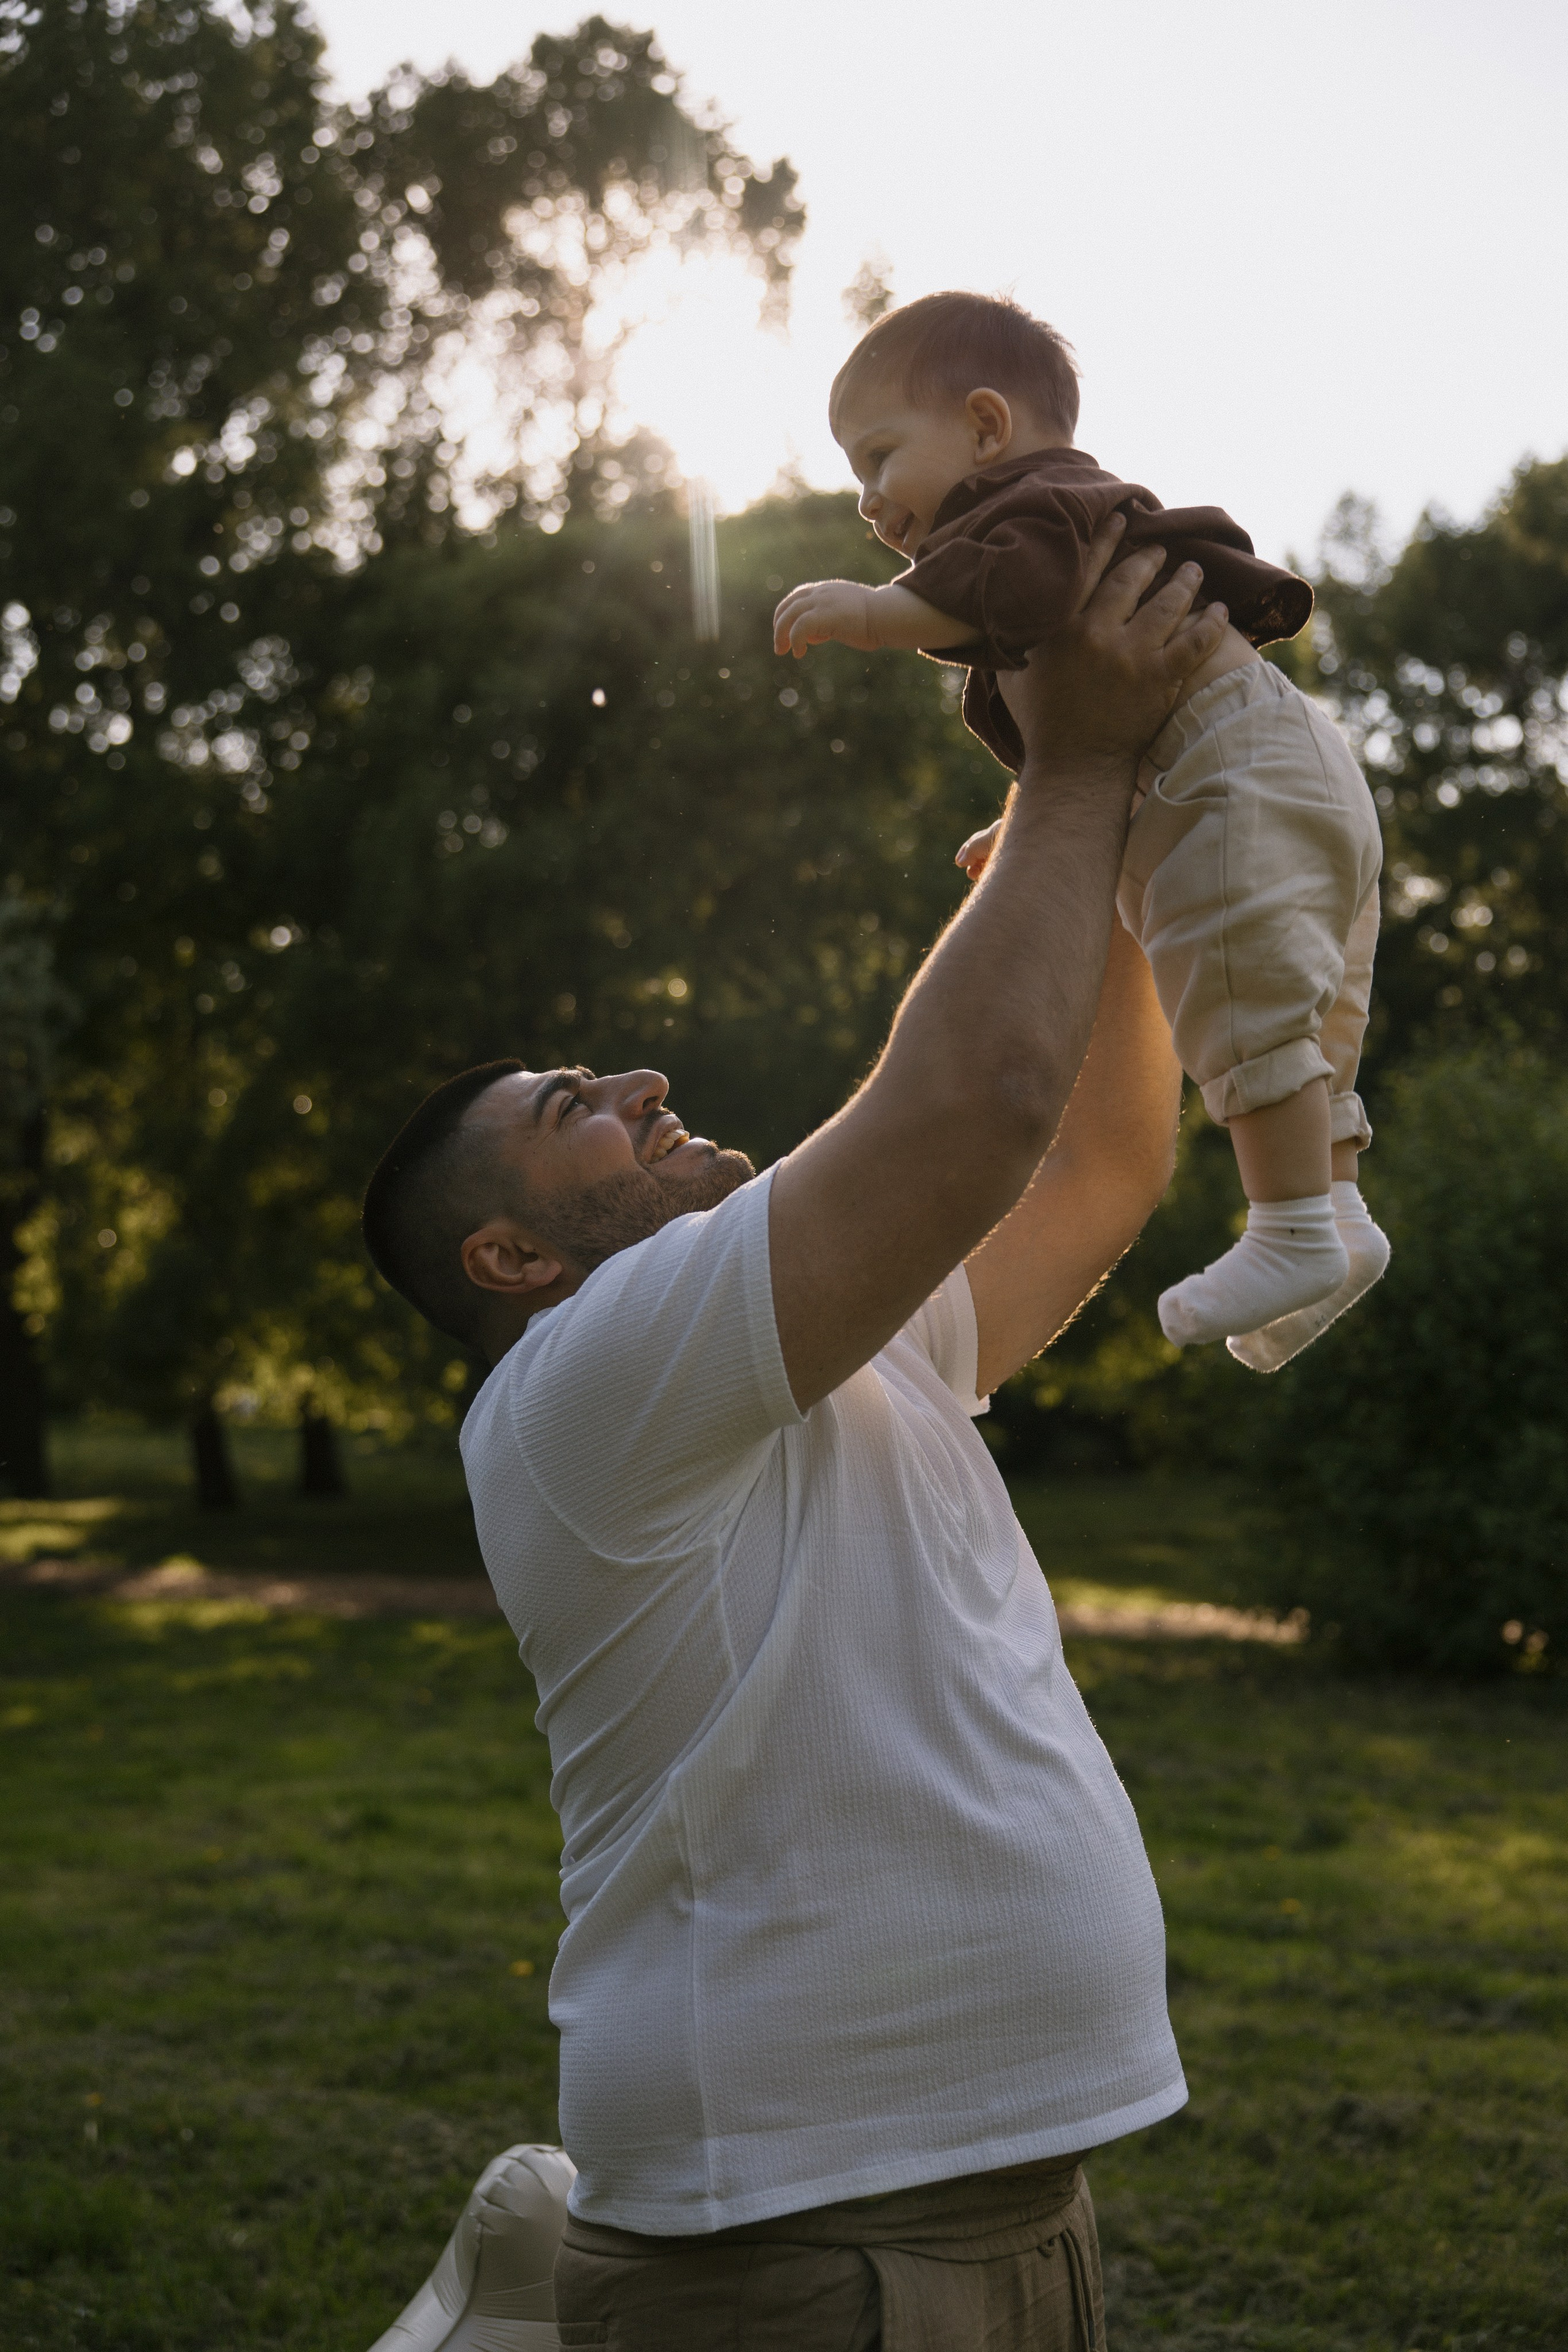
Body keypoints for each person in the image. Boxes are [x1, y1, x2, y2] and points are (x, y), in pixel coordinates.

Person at [361, 525, 1226, 2350]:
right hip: (807, 2251)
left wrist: (1122, 869)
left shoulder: (826, 1342)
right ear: (511, 1258)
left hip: (998, 2212)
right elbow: (976, 1104)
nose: (643, 1081)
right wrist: (1074, 767)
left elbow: (1093, 1165)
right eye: (577, 1106)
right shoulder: (585, 1377)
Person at [775, 291, 1389, 1374]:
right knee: (1306, 1011)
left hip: (1230, 767)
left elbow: (1010, 589)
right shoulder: (1063, 513)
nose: (868, 503)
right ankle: (1338, 1215)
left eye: (879, 458)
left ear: (985, 427)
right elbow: (1094, 725)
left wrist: (874, 613)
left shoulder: (1030, 510)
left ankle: (1288, 1227)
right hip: (1283, 766)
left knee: (1237, 993)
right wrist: (1029, 826)